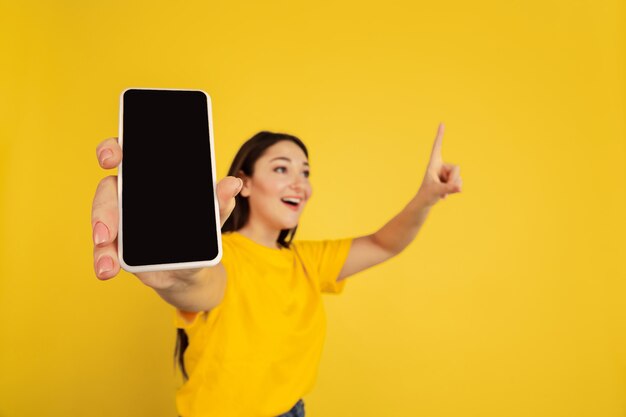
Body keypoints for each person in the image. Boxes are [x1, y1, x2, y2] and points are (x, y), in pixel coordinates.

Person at [91, 124, 462, 417]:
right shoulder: (220, 256)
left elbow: (385, 243)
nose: (300, 183)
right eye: (282, 168)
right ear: (245, 183)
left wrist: (427, 196)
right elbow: (201, 285)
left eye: (305, 171)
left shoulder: (308, 260)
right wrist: (176, 272)